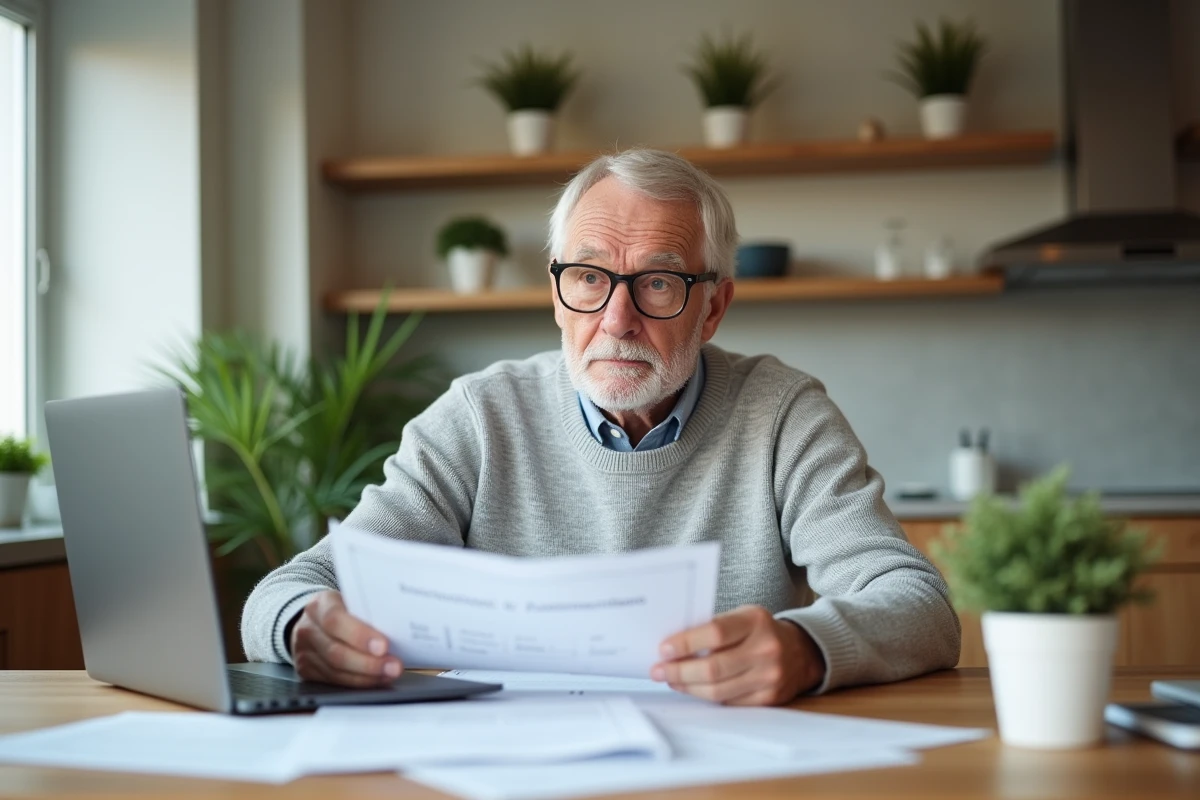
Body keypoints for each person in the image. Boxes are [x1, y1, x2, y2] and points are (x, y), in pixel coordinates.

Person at [241, 148, 960, 706]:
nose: (617, 320)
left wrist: (806, 649)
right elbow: (293, 588)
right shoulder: (479, 418)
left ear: (713, 308)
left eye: (658, 282)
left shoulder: (782, 414)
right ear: (558, 296)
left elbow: (919, 604)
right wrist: (306, 624)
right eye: (588, 278)